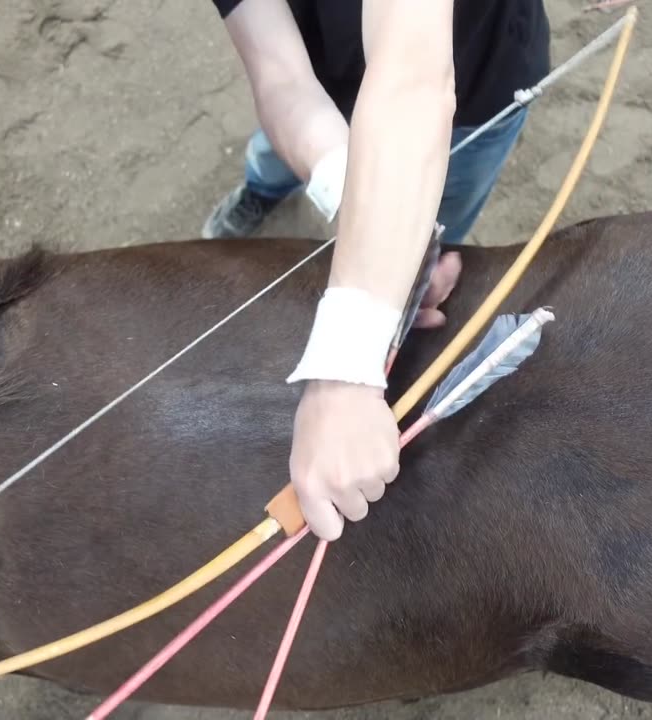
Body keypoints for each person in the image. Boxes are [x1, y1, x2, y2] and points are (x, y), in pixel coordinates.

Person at [203, 0, 550, 541]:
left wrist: (345, 367)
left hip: (472, 89)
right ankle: (265, 192)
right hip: (324, 78)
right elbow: (282, 80)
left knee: (439, 205)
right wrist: (361, 202)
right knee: (276, 159)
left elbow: (412, 81)